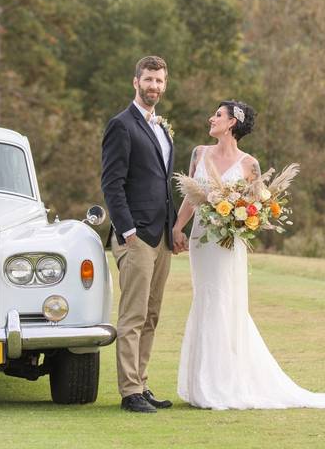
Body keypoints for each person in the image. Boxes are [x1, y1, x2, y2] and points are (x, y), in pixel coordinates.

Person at [173, 100, 325, 411]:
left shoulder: (250, 165)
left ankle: (223, 383)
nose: (211, 118)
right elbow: (190, 199)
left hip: (227, 245)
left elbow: (256, 208)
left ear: (233, 122)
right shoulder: (199, 153)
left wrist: (240, 217)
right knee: (205, 299)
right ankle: (202, 383)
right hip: (201, 242)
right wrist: (178, 228)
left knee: (225, 302)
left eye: (218, 115)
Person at [101, 55, 188, 414]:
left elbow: (163, 184)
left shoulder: (162, 128)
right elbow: (111, 183)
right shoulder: (121, 125)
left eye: (160, 81)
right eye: (148, 79)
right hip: (136, 238)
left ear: (165, 85)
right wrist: (128, 230)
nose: (154, 86)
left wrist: (174, 229)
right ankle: (129, 392)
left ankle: (143, 382)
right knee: (133, 316)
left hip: (162, 236)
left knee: (151, 315)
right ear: (135, 81)